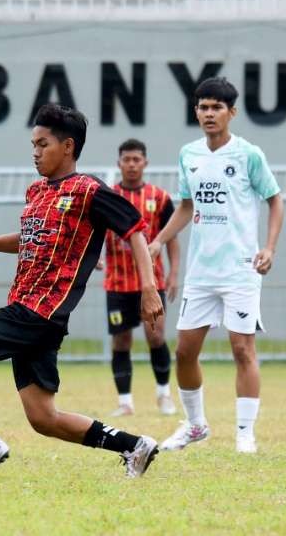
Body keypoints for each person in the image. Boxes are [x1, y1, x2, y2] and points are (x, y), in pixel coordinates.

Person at [0, 104, 162, 480]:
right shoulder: (37, 191)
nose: (35, 152)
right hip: (30, 312)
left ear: (68, 147)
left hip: (38, 311)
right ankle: (133, 446)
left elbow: (135, 230)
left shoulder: (89, 191)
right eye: (33, 144)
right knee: (44, 418)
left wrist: (149, 288)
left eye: (43, 144)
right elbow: (27, 239)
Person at [149, 78, 284, 455]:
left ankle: (245, 433)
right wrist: (159, 239)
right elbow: (187, 206)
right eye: (203, 107)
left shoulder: (248, 155)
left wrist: (269, 248)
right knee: (185, 351)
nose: (209, 114)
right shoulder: (189, 154)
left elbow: (275, 200)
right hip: (202, 272)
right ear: (196, 111)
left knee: (242, 349)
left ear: (231, 113)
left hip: (241, 269)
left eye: (217, 108)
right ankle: (195, 426)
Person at [101, 139, 180, 417]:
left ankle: (164, 396)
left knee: (155, 336)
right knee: (121, 341)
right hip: (117, 284)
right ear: (119, 163)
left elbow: (170, 237)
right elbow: (91, 231)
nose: (132, 165)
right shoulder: (108, 197)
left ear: (145, 162)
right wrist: (93, 259)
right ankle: (125, 402)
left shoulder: (159, 197)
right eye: (127, 159)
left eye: (137, 159)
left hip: (152, 282)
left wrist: (173, 273)